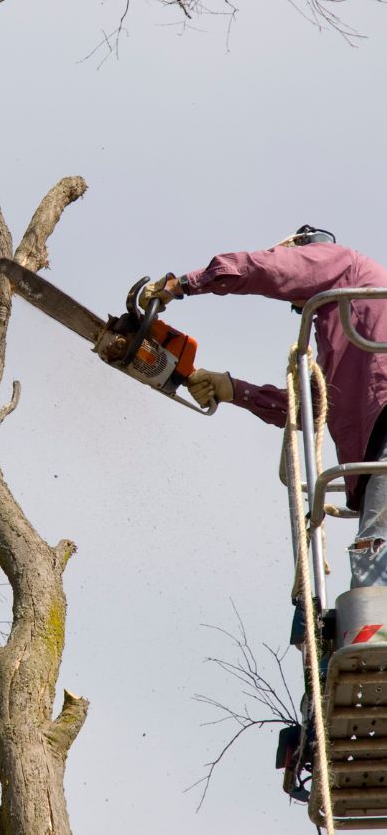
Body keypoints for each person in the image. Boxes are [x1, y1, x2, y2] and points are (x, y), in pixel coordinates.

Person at [141, 226, 387, 589]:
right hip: (374, 444)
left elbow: (268, 269)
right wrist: (233, 390)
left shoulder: (340, 263)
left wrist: (182, 285)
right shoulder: (345, 335)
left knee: (376, 566)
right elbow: (316, 407)